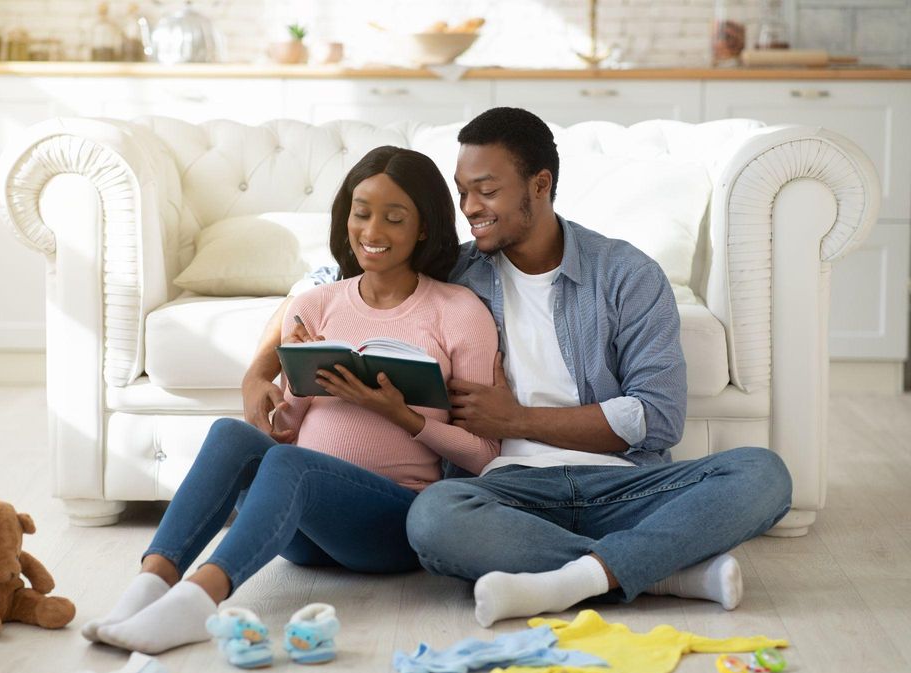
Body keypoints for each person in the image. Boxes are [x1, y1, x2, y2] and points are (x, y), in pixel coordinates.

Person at [242, 107, 793, 628]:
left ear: (540, 185)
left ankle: (568, 577)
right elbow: (323, 282)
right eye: (463, 193)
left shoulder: (626, 274)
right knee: (432, 518)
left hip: (625, 486)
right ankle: (661, 572)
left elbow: (656, 419)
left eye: (487, 190)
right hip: (503, 495)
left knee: (763, 473)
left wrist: (518, 421)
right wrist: (258, 371)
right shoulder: (455, 271)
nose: (470, 207)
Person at [82, 146, 500, 654]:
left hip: (388, 526)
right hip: (303, 528)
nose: (372, 232)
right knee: (231, 434)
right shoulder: (314, 304)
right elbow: (293, 425)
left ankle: (198, 604)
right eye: (361, 213)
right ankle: (148, 587)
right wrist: (282, 409)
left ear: (424, 228)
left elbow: (483, 453)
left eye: (394, 218)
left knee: (289, 464)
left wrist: (401, 416)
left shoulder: (457, 312)